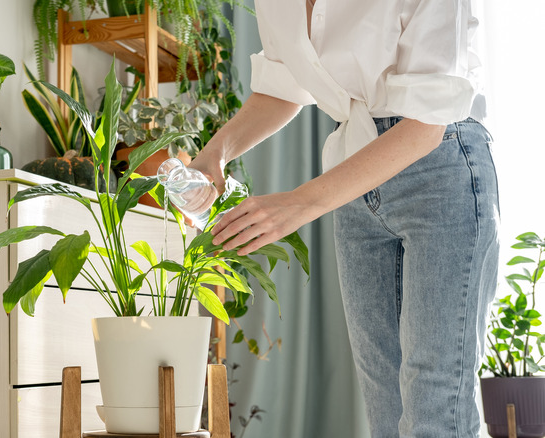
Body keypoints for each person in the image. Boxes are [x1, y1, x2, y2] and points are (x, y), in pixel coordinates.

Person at [189, 0, 499, 436]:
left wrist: (299, 203)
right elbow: (281, 87)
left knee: (434, 405)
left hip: (440, 165)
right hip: (354, 171)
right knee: (384, 406)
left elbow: (427, 122)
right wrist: (213, 156)